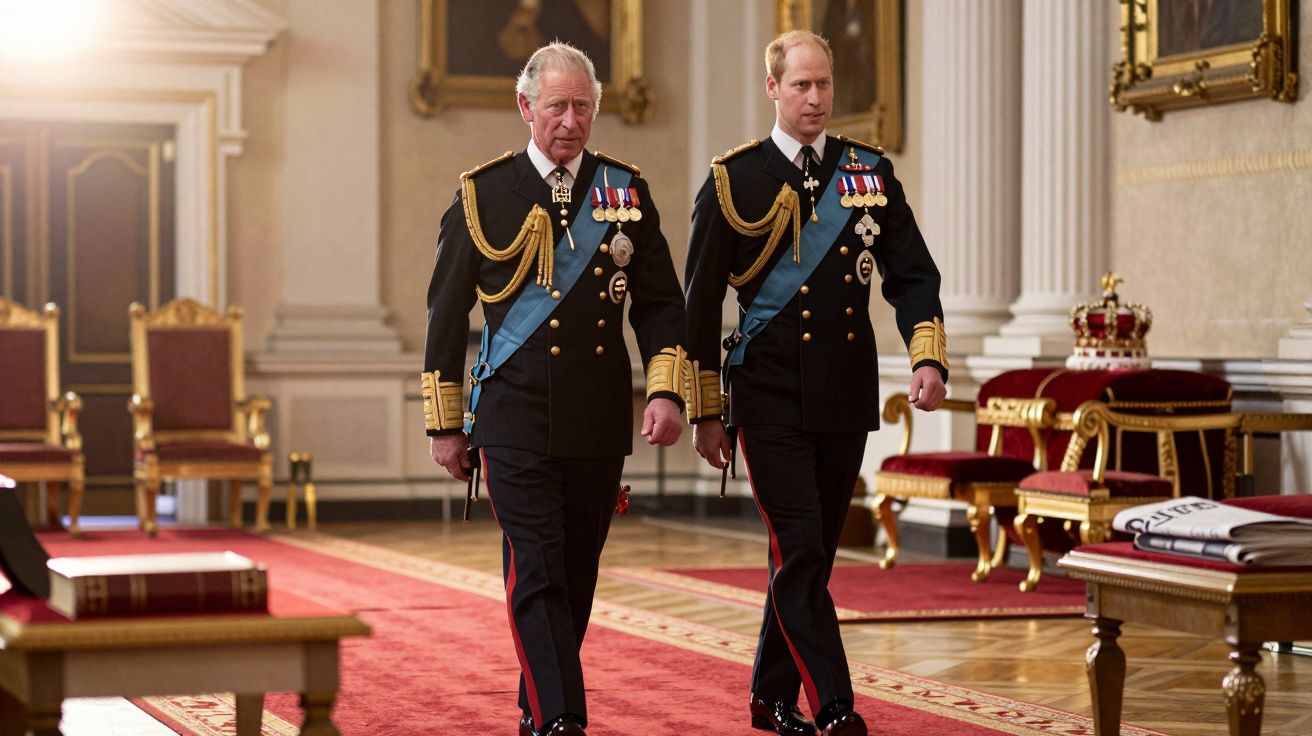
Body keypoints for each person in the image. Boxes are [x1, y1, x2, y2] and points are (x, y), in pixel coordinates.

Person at [683, 30, 948, 736]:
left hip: (842, 395)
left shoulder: (868, 174)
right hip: (766, 397)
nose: (816, 98)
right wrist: (707, 411)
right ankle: (834, 703)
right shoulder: (733, 180)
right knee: (799, 548)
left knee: (809, 556)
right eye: (801, 85)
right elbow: (700, 304)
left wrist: (927, 355)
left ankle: (770, 700)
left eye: (824, 85)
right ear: (773, 89)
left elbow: (913, 273)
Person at [422, 42, 687, 736]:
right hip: (510, 419)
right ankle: (563, 719)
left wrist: (666, 391)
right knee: (536, 570)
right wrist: (445, 424)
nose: (570, 121)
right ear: (525, 107)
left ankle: (536, 706)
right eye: (557, 106)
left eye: (583, 106)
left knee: (573, 576)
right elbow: (446, 316)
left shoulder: (623, 191)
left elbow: (661, 303)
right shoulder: (483, 194)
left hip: (596, 419)